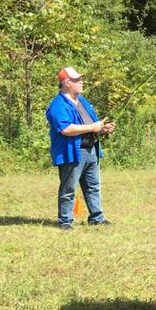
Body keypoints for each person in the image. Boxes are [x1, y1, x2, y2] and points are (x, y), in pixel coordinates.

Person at [45, 66, 116, 230]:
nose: (82, 82)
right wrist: (93, 127)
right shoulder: (58, 105)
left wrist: (103, 128)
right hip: (72, 152)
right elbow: (66, 129)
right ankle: (65, 222)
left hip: (91, 150)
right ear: (67, 83)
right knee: (69, 188)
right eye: (77, 80)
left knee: (93, 187)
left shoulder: (82, 101)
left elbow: (91, 125)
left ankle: (97, 218)